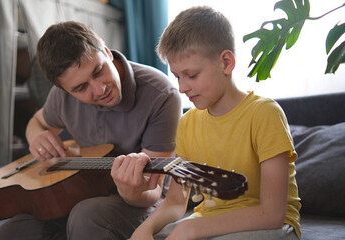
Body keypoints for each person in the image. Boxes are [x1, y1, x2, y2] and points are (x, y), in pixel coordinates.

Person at [0, 21, 181, 240]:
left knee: (86, 217)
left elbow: (152, 192)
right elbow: (37, 121)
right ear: (64, 91)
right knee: (10, 233)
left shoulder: (161, 94)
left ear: (108, 53)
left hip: (144, 199)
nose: (100, 89)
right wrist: (36, 136)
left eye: (98, 71)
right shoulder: (60, 97)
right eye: (81, 88)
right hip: (83, 190)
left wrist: (133, 190)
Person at [129, 6, 301, 240]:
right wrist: (145, 229)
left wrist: (189, 229)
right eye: (177, 76)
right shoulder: (187, 123)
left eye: (191, 75)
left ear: (226, 63)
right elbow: (176, 202)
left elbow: (272, 214)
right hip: (208, 221)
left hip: (272, 226)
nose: (182, 87)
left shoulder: (264, 113)